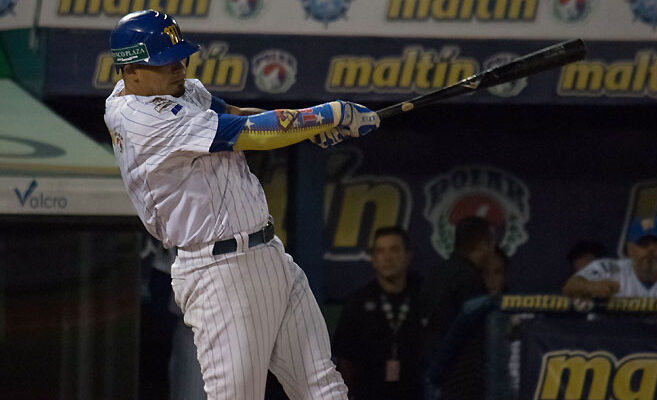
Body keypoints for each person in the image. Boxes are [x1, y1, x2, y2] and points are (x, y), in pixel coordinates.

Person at [104, 10, 381, 400]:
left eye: (180, 57)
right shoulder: (142, 119)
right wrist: (329, 113)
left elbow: (236, 115)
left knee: (324, 388)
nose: (179, 67)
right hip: (219, 271)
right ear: (130, 71)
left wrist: (310, 129)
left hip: (268, 253)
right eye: (165, 62)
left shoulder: (178, 91)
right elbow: (253, 134)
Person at [332, 226, 424, 400]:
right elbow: (345, 360)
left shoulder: (424, 296)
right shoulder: (357, 303)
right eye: (380, 251)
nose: (387, 258)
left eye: (394, 250)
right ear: (373, 259)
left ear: (408, 256)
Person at [419, 216, 496, 400]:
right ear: (483, 244)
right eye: (491, 243)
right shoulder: (469, 278)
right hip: (461, 380)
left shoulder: (435, 275)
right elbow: (474, 336)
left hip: (432, 376)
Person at [562, 216, 657, 298]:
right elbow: (570, 286)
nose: (650, 249)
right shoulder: (609, 268)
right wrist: (592, 287)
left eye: (656, 243)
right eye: (643, 244)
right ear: (630, 249)